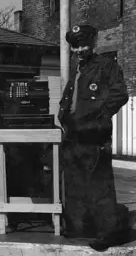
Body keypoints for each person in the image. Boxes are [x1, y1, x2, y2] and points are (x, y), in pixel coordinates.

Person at [58, 24, 130, 251]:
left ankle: (109, 234)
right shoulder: (77, 68)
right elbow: (70, 99)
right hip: (74, 136)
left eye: (83, 44)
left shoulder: (106, 66)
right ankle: (79, 227)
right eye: (75, 46)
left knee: (100, 186)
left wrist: (98, 118)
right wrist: (63, 113)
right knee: (75, 184)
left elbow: (120, 95)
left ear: (94, 42)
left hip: (94, 137)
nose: (79, 49)